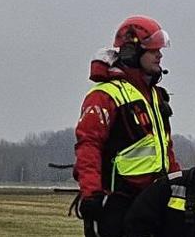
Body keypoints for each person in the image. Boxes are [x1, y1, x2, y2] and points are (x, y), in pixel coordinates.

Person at [77, 15, 180, 236]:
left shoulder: (155, 95)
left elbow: (165, 147)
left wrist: (178, 183)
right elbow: (88, 147)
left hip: (153, 200)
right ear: (132, 52)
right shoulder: (104, 95)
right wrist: (91, 194)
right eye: (153, 51)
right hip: (119, 200)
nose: (160, 55)